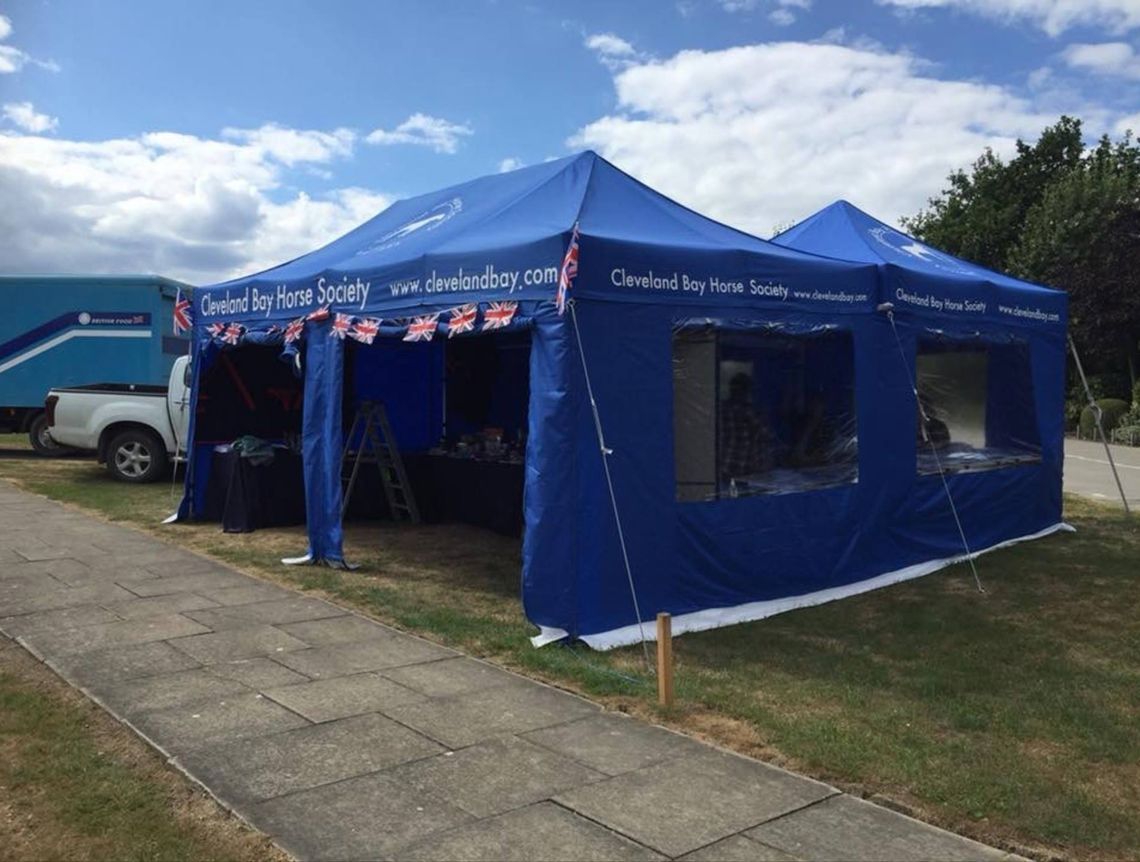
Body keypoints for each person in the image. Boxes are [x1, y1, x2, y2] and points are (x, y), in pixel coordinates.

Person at [718, 373, 774, 482]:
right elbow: (767, 434)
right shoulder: (749, 411)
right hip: (744, 466)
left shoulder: (721, 407)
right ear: (747, 391)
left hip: (724, 464)